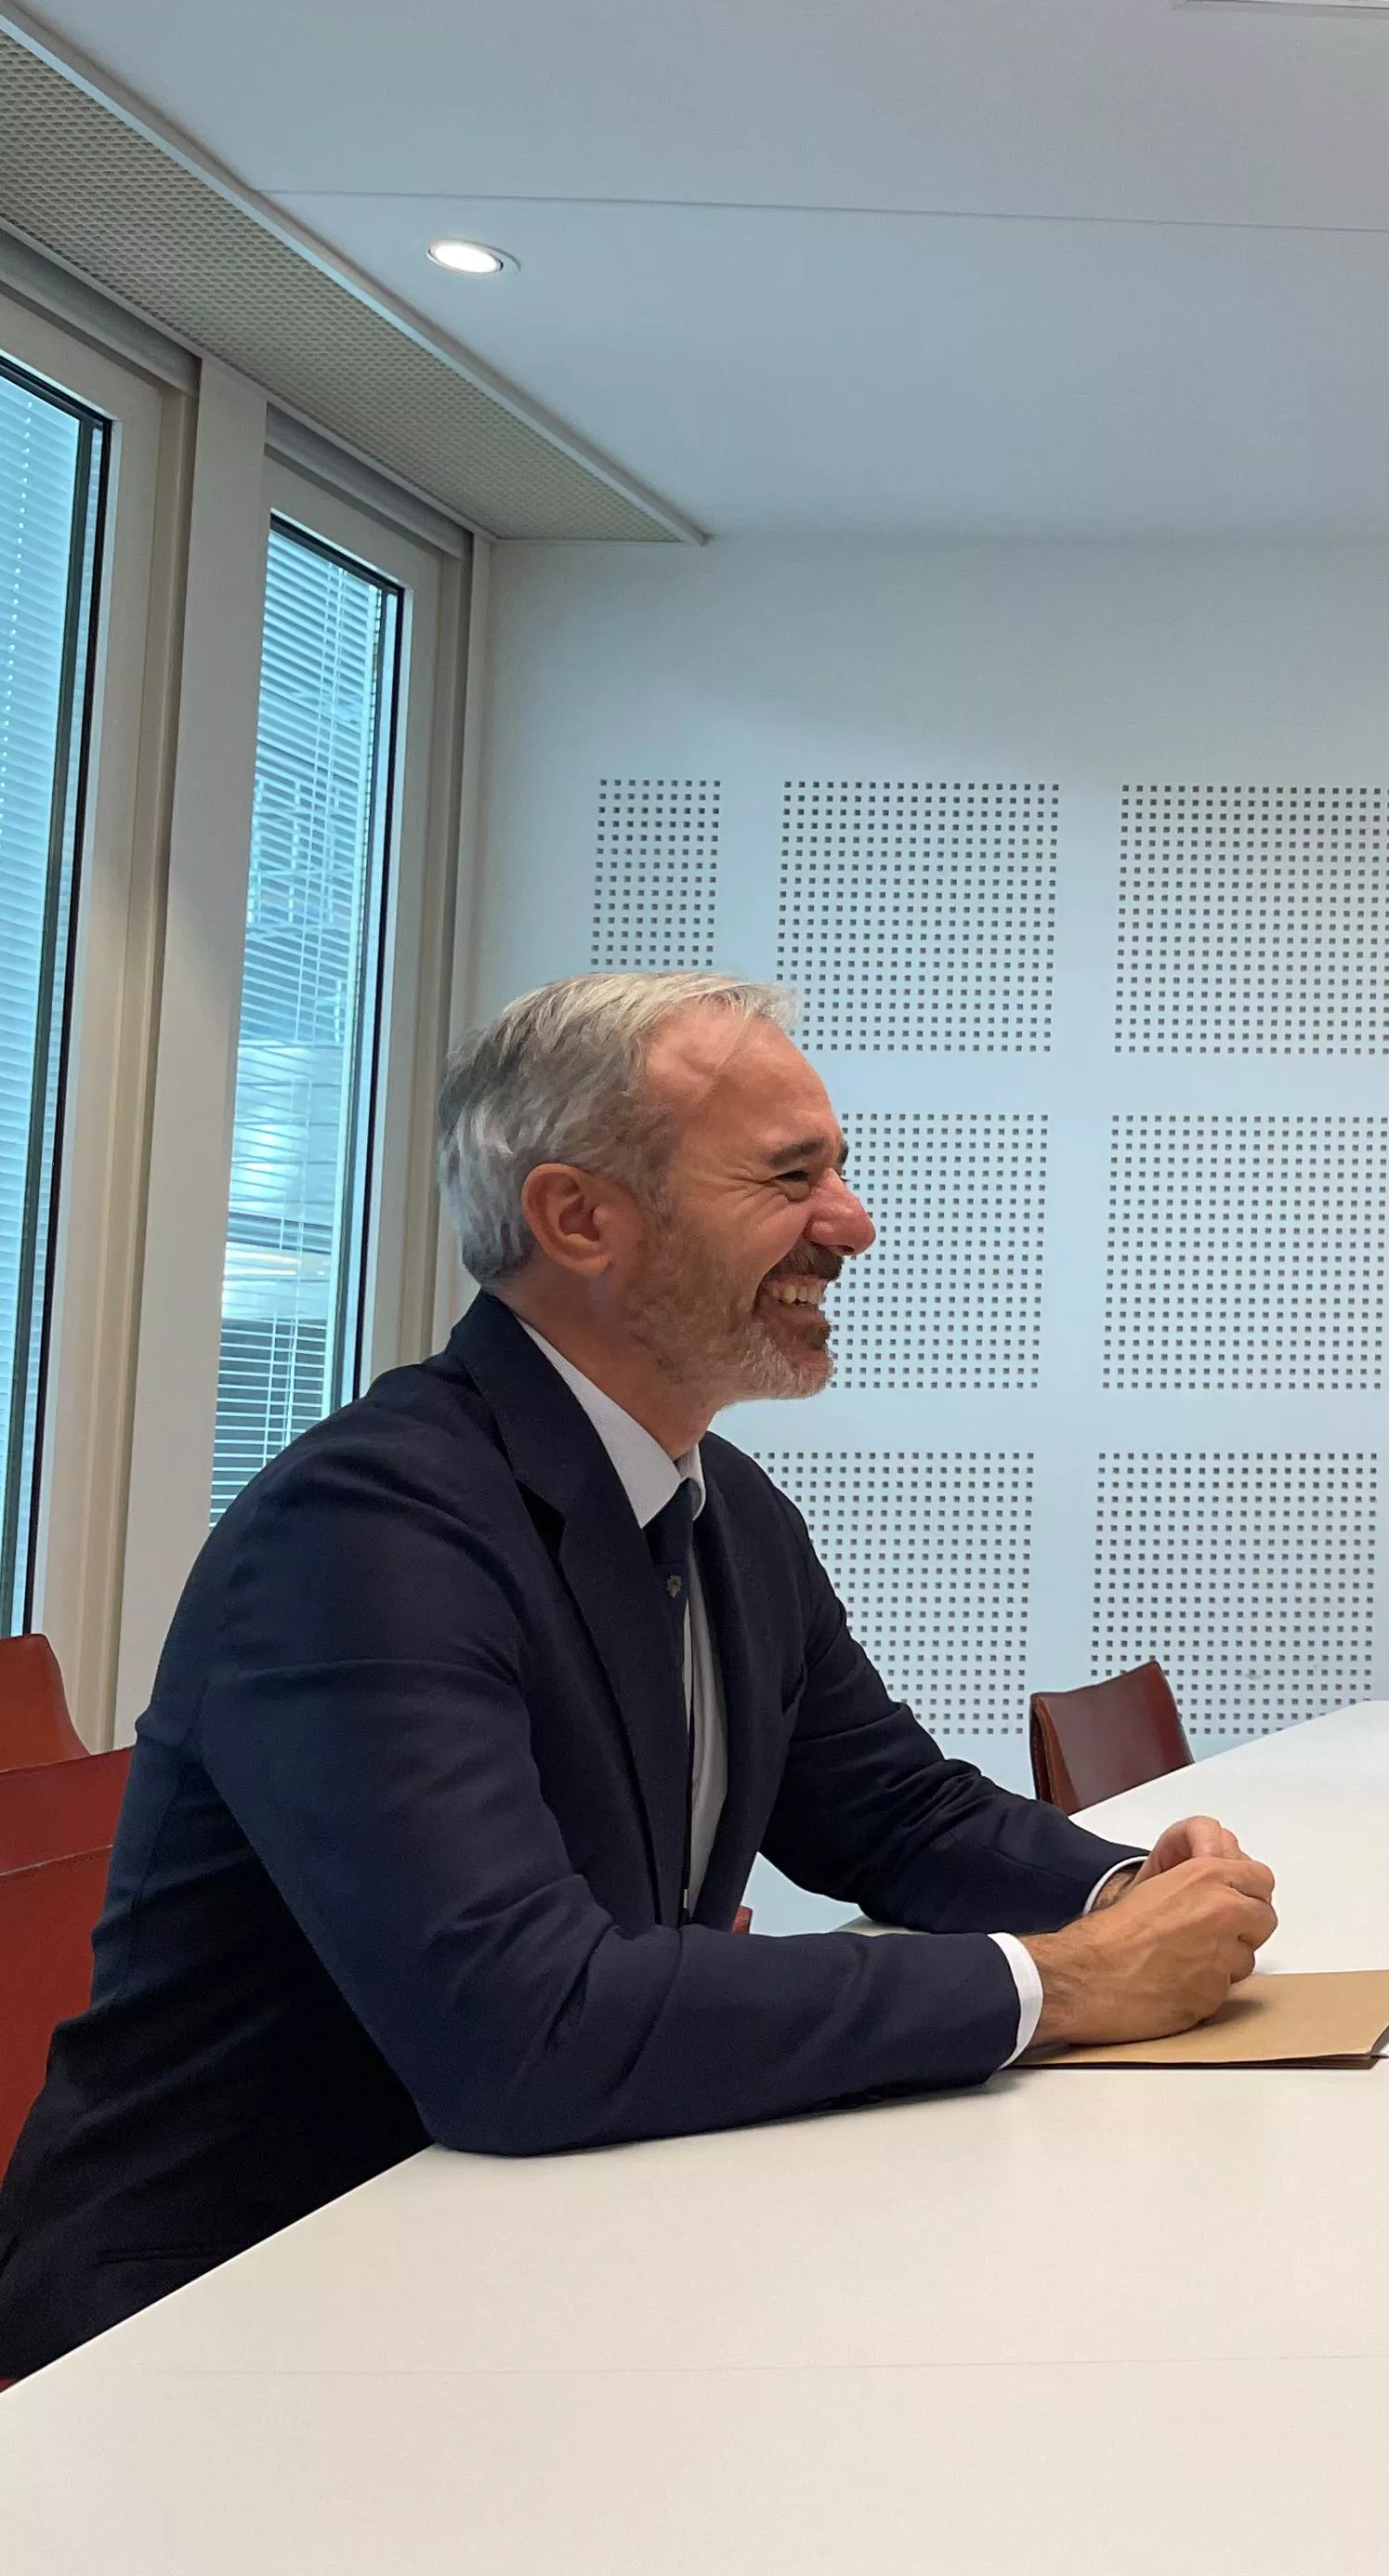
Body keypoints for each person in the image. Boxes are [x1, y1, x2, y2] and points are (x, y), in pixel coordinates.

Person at [0, 973, 1282, 2372]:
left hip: (517, 2265)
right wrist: (1061, 1984)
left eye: (839, 1173)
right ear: (577, 1219)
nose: (851, 1224)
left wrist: (1125, 1892)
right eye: (792, 1178)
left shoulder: (723, 1509)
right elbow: (523, 2022)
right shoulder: (365, 1529)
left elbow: (896, 1816)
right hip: (219, 2333)